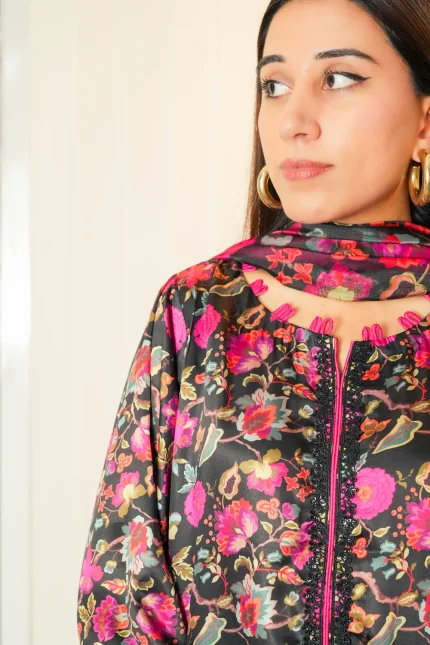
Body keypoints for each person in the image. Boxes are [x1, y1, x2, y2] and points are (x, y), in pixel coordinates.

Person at [77, 0, 430, 643]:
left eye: (339, 78)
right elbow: (122, 590)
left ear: (425, 120)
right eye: (274, 86)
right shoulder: (200, 310)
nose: (294, 121)